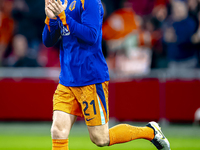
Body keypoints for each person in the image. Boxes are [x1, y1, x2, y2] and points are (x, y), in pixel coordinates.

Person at [42, 0, 171, 150]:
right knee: (58, 131)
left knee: (100, 138)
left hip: (90, 80)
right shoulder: (62, 2)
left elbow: (91, 36)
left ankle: (150, 131)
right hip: (67, 80)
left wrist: (63, 17)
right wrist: (51, 19)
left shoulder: (90, 2)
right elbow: (48, 41)